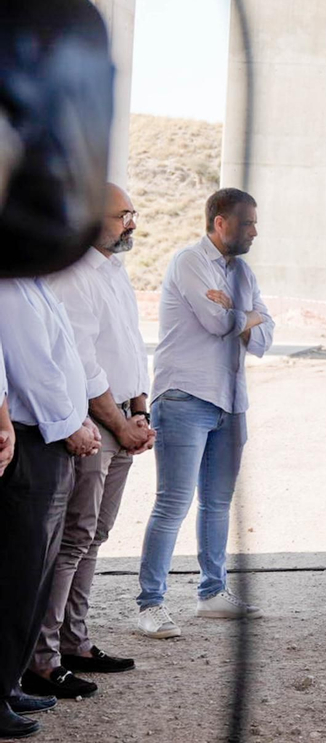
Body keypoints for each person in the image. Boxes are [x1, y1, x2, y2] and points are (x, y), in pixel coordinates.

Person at [25, 184, 155, 698]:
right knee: (73, 540)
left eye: (133, 214)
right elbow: (82, 362)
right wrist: (118, 424)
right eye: (122, 215)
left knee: (94, 538)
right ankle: (43, 658)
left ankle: (76, 642)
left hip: (123, 419)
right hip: (95, 424)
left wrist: (140, 410)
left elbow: (129, 348)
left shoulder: (113, 272)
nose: (132, 224)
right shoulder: (75, 274)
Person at [136, 188, 273, 639]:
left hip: (231, 402)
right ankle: (150, 605)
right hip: (184, 397)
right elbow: (219, 326)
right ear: (220, 222)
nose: (255, 230)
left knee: (217, 505)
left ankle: (212, 593)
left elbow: (266, 334)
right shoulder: (189, 262)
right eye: (247, 222)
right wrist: (243, 316)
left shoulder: (243, 271)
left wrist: (238, 310)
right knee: (172, 504)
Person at [0, 277, 102, 738]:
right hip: (34, 439)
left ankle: (10, 681)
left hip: (51, 435)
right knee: (17, 576)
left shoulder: (33, 282)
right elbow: (33, 369)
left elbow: (65, 362)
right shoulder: (9, 287)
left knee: (36, 576)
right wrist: (70, 426)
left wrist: (78, 416)